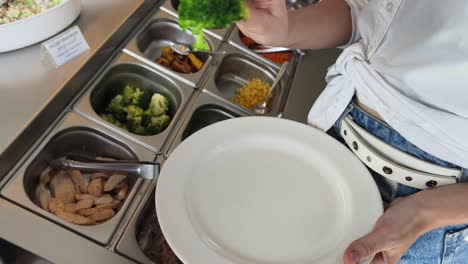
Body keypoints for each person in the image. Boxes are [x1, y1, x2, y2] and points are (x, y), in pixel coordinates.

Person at [238, 0, 468, 263]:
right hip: (335, 137)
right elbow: (371, 15)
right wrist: (283, 30)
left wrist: (425, 213)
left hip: (426, 212)